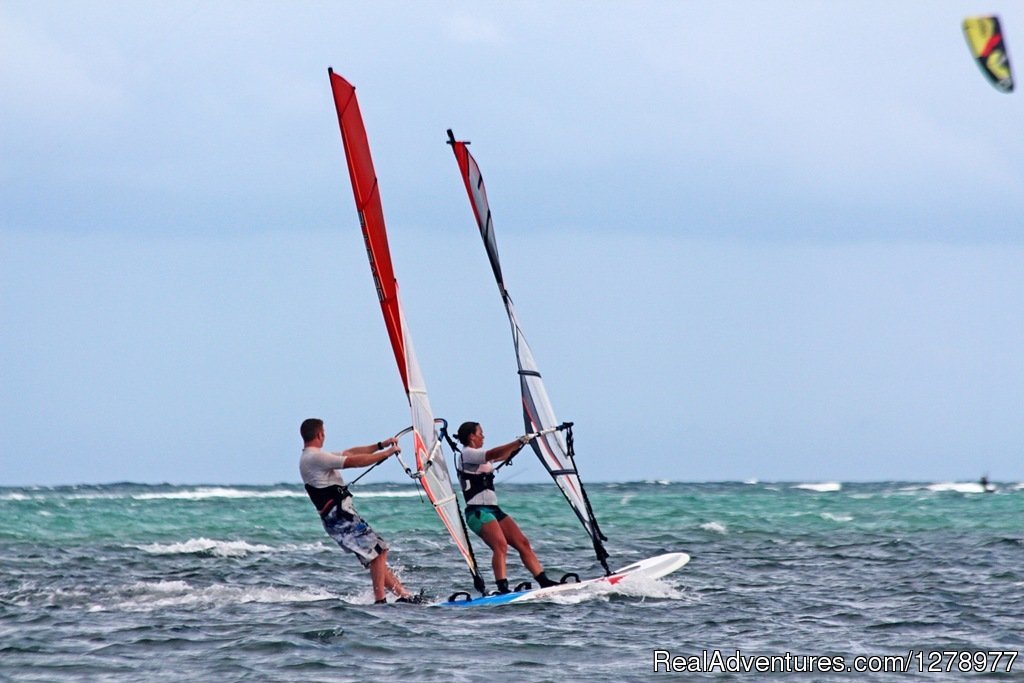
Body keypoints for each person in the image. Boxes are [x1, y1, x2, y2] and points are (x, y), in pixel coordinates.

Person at [298, 417, 421, 604]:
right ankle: (380, 600)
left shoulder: (313, 456)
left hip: (338, 517)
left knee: (376, 555)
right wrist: (387, 453)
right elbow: (354, 461)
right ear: (320, 434)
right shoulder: (315, 457)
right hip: (339, 516)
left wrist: (381, 445)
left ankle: (403, 595)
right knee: (379, 550)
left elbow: (350, 452)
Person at [454, 421, 559, 593]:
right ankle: (503, 588)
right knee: (500, 546)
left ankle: (544, 581)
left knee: (523, 543)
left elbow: (501, 455)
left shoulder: (478, 455)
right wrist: (518, 441)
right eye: (481, 433)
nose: (483, 436)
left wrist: (525, 442)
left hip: (493, 509)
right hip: (477, 512)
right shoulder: (467, 455)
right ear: (472, 436)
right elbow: (493, 453)